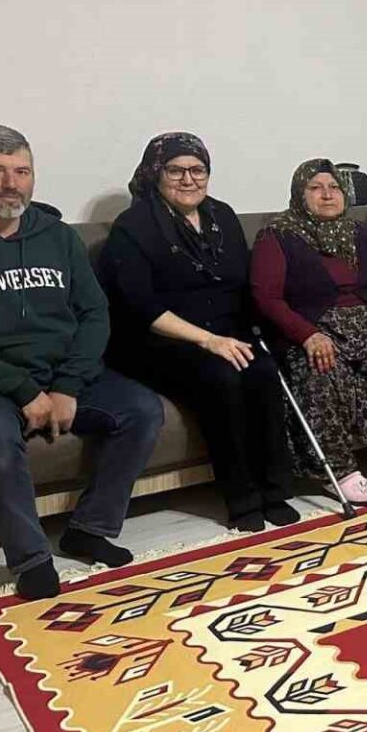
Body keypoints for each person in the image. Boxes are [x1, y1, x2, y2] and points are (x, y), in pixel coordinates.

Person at [0, 124, 164, 599]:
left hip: (64, 373)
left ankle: (90, 528)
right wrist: (23, 391)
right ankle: (31, 559)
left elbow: (94, 314)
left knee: (142, 409)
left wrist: (67, 385)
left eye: (22, 171)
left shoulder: (58, 237)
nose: (11, 183)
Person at [97, 133, 299, 532]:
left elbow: (242, 285)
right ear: (156, 173)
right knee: (221, 378)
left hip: (224, 331)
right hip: (161, 340)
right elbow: (140, 306)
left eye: (198, 170)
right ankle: (242, 499)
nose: (188, 179)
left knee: (263, 371)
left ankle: (275, 491)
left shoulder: (222, 215)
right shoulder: (133, 226)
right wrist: (207, 340)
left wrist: (256, 333)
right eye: (176, 170)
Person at [251, 160, 367, 503]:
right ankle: (340, 471)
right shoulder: (278, 235)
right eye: (315, 188)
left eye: (334, 188)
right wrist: (307, 335)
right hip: (313, 331)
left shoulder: (358, 233)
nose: (327, 195)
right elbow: (266, 297)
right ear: (299, 195)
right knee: (322, 371)